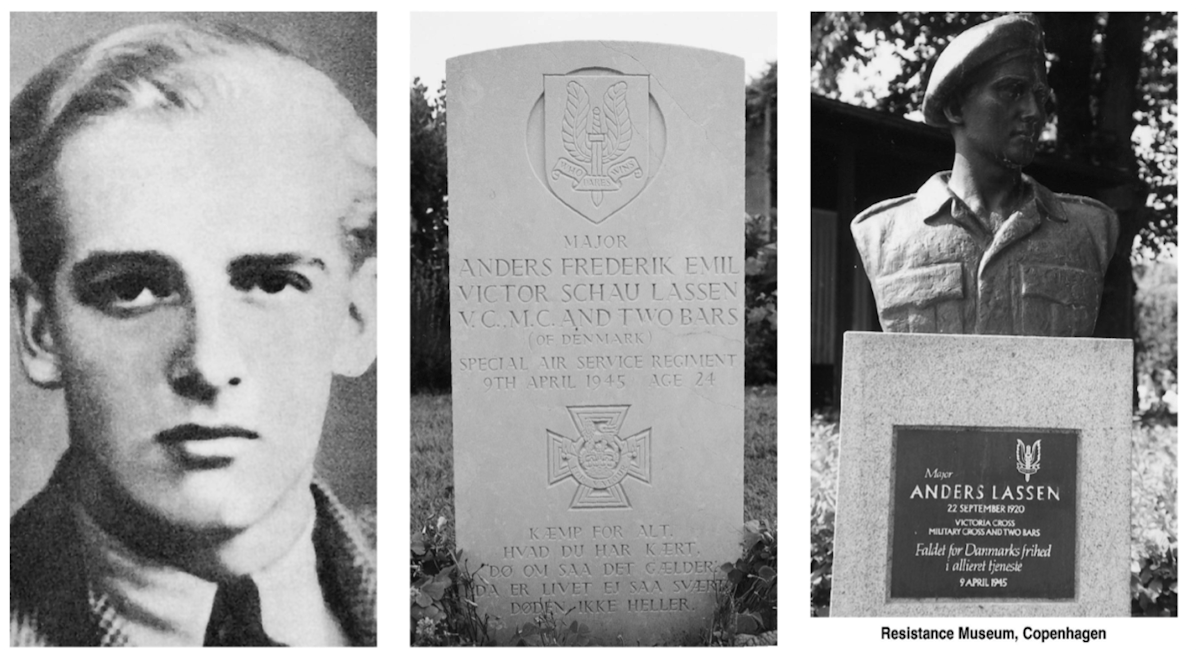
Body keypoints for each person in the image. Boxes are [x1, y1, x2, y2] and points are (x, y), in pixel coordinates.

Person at [9, 20, 377, 646]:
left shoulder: (433, 595)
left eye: (269, 282)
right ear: (40, 332)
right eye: (132, 289)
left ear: (356, 317)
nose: (207, 363)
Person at [851, 14, 1119, 336]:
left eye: (1039, 96)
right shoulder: (883, 233)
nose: (1034, 112)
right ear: (955, 108)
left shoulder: (1090, 229)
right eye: (1012, 91)